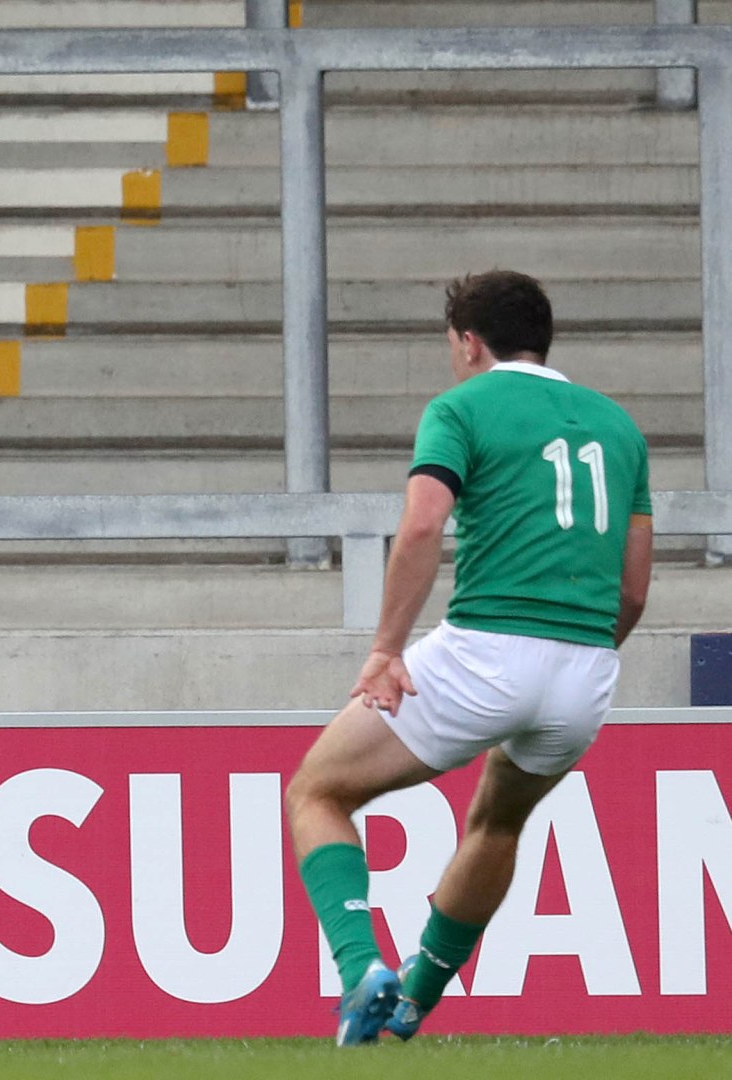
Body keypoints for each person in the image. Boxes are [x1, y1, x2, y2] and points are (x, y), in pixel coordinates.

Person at [283, 271, 653, 1045]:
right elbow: (632, 589)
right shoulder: (619, 428)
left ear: (468, 341)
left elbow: (422, 525)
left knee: (316, 791)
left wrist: (385, 651)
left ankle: (360, 970)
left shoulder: (460, 407)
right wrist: (574, 658)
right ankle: (414, 1001)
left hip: (485, 649)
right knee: (497, 823)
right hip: (586, 668)